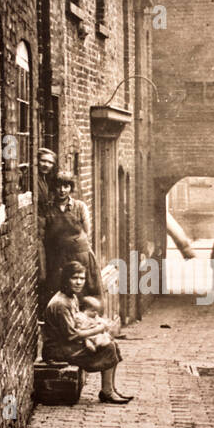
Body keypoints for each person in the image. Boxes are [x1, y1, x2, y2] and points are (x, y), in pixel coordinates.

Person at [43, 261, 133, 404]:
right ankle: (107, 392)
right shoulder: (61, 304)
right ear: (66, 279)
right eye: (74, 278)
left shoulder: (71, 297)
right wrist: (98, 329)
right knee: (108, 347)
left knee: (112, 344)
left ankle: (110, 389)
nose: (79, 282)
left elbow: (78, 324)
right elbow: (71, 335)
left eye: (82, 278)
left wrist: (92, 330)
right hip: (58, 349)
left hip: (68, 344)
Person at [42, 170, 102, 307]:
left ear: (70, 188)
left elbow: (87, 232)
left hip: (79, 255)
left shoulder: (80, 207)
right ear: (53, 187)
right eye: (58, 186)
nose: (62, 190)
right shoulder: (48, 209)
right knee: (61, 291)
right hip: (59, 258)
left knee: (82, 290)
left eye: (66, 186)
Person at [36, 148, 57, 303]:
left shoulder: (45, 180)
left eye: (50, 162)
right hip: (38, 229)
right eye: (43, 161)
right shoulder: (35, 178)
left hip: (45, 230)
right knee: (42, 273)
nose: (46, 165)